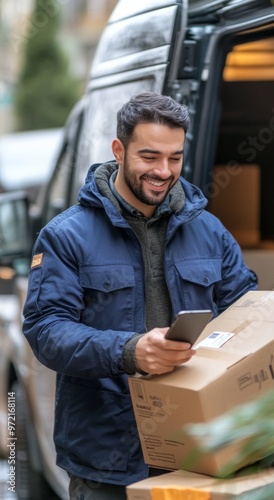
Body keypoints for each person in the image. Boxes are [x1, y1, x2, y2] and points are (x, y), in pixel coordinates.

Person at [22, 92, 258, 499]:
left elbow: (248, 316)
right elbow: (46, 331)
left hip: (202, 448)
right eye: (149, 157)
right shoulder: (65, 236)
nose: (164, 171)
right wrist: (129, 350)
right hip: (109, 461)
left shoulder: (211, 232)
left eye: (175, 158)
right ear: (119, 149)